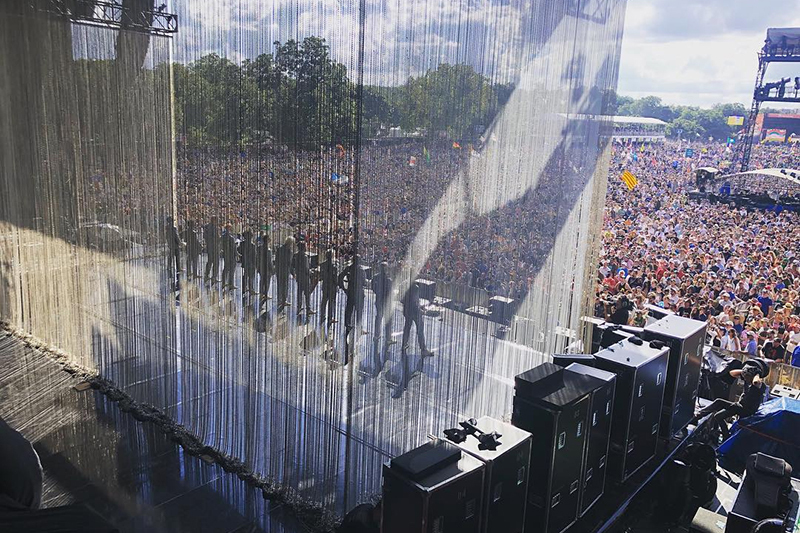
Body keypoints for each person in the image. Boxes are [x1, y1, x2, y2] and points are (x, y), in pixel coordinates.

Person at [690, 363, 765, 439]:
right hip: (739, 406)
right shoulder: (747, 380)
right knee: (718, 416)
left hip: (747, 410)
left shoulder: (758, 385)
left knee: (719, 402)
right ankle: (726, 436)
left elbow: (756, 382)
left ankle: (697, 416)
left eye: (747, 376)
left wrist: (757, 373)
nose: (744, 378)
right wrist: (744, 371)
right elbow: (732, 373)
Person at [338, 254, 366, 364]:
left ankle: (347, 325)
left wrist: (344, 288)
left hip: (350, 293)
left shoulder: (349, 268)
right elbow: (364, 282)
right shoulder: (361, 271)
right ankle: (359, 327)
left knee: (348, 310)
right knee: (359, 312)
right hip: (359, 294)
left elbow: (340, 277)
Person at [370, 262, 395, 371]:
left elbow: (372, 288)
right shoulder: (388, 280)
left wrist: (378, 293)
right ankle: (388, 338)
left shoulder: (375, 277)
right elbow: (391, 293)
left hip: (378, 300)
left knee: (378, 318)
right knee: (388, 320)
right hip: (386, 302)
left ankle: (376, 335)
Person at [291, 240, 315, 316]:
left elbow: (292, 265)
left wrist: (294, 274)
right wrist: (311, 273)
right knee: (307, 293)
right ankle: (308, 308)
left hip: (298, 277)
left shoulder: (295, 255)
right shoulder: (305, 256)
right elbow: (306, 268)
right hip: (305, 277)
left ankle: (299, 307)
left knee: (299, 292)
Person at [318, 249, 338, 327]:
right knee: (331, 303)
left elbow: (321, 276)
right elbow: (335, 279)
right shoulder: (334, 266)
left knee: (324, 301)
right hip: (331, 287)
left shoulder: (322, 265)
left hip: (325, 286)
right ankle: (330, 317)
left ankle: (322, 315)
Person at [275, 236, 294, 313]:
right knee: (285, 285)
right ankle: (284, 300)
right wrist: (293, 273)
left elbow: (276, 260)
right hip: (285, 270)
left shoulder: (279, 249)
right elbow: (290, 263)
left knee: (279, 285)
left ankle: (280, 300)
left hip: (279, 270)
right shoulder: (290, 251)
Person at [257, 232, 274, 303]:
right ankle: (265, 294)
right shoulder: (268, 250)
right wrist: (272, 269)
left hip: (261, 267)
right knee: (267, 282)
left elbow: (257, 258)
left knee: (262, 281)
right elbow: (269, 261)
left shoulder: (259, 248)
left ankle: (261, 294)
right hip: (267, 269)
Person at [239, 230, 257, 294]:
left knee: (246, 275)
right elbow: (254, 256)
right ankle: (250, 288)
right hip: (251, 263)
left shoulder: (242, 244)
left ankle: (244, 288)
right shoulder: (253, 245)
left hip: (245, 262)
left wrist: (241, 259)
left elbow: (239, 251)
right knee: (251, 276)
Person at [203, 216, 220, 284]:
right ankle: (214, 277)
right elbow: (217, 238)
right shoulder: (215, 228)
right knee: (216, 263)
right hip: (214, 247)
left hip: (209, 247)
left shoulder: (207, 227)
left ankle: (206, 275)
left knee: (209, 261)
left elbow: (204, 236)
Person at [221, 225, 238, 289]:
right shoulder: (231, 238)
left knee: (226, 268)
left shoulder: (223, 236)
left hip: (226, 254)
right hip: (231, 255)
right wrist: (237, 254)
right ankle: (231, 284)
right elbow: (234, 247)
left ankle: (223, 283)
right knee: (231, 270)